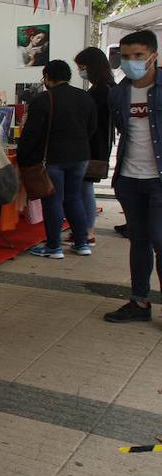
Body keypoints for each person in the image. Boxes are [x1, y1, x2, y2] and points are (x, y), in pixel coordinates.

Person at [106, 30, 162, 322]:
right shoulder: (118, 92)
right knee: (139, 241)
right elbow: (122, 132)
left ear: (153, 55)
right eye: (126, 57)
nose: (132, 62)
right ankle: (139, 303)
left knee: (160, 240)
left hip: (158, 179)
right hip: (129, 177)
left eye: (138, 56)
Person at [19, 60, 97, 259]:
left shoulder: (44, 99)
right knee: (74, 198)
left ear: (47, 77)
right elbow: (92, 127)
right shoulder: (84, 97)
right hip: (80, 157)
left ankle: (54, 246)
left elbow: (32, 134)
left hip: (53, 159)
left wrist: (24, 157)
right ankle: (81, 243)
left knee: (53, 200)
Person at [72, 47, 114, 246]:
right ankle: (85, 229)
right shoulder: (105, 88)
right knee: (84, 189)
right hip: (96, 145)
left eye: (82, 67)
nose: (80, 71)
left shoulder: (101, 91)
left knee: (85, 188)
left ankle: (88, 231)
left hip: (92, 146)